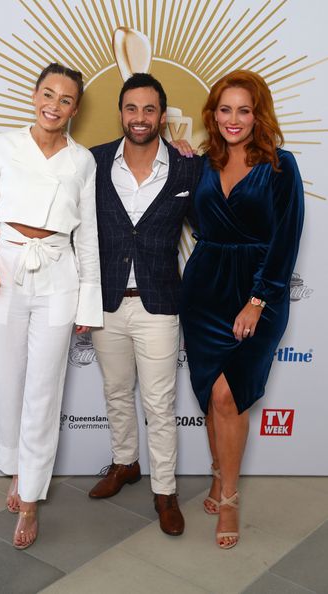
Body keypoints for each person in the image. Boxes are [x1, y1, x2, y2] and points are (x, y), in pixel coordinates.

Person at [0, 63, 102, 549]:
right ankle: (17, 469)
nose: (54, 105)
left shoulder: (83, 162)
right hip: (10, 268)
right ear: (34, 95)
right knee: (9, 381)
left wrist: (88, 301)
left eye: (65, 99)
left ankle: (32, 497)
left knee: (45, 388)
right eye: (47, 93)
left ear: (75, 108)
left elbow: (90, 238)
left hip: (59, 274)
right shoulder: (5, 145)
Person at [179, 69, 304, 549]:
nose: (234, 119)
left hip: (258, 288)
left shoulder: (280, 166)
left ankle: (228, 499)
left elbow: (285, 240)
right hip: (205, 288)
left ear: (258, 115)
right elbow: (195, 220)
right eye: (225, 109)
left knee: (232, 396)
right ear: (213, 115)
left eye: (244, 110)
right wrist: (182, 160)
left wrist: (258, 300)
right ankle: (217, 474)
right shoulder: (203, 164)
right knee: (212, 396)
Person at [88, 73, 202, 536]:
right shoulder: (91, 163)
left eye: (149, 109)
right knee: (116, 394)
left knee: (159, 402)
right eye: (132, 108)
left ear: (162, 114)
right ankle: (124, 463)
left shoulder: (187, 167)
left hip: (160, 304)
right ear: (121, 112)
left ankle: (166, 490)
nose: (140, 118)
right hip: (106, 303)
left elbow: (212, 228)